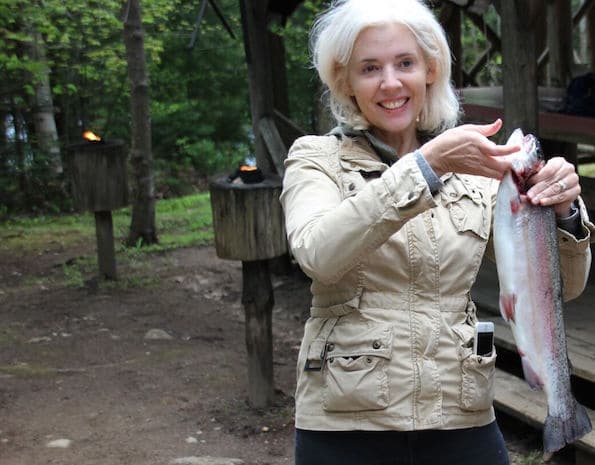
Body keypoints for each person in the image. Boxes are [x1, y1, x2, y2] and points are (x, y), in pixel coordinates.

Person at [279, 1, 595, 464]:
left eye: (404, 63)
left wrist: (564, 211)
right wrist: (426, 167)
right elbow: (318, 254)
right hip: (346, 419)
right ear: (344, 81)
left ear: (430, 68)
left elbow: (562, 289)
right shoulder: (315, 159)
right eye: (370, 68)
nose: (391, 82)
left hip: (462, 415)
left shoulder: (479, 169)